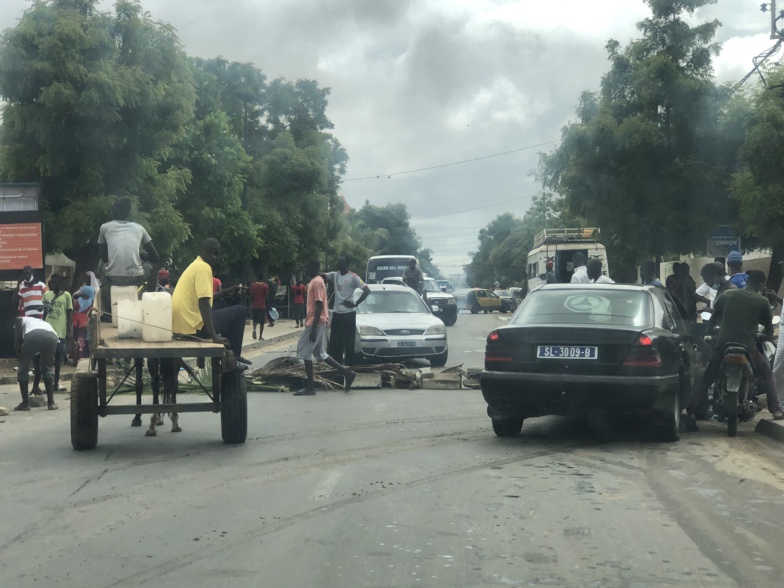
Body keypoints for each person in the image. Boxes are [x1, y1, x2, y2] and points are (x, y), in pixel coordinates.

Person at [687, 270, 784, 424]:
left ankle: (691, 409)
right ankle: (776, 409)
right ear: (761, 284)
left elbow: (713, 319)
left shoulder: (728, 295)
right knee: (767, 373)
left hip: (723, 344)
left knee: (708, 377)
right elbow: (769, 330)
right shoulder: (762, 301)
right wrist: (765, 336)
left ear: (748, 281)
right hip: (748, 346)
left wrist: (709, 332)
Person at [171, 238, 249, 365]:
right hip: (193, 329)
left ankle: (229, 355)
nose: (214, 257)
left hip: (181, 328)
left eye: (216, 254)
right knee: (240, 311)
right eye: (210, 253)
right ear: (203, 252)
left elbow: (203, 299)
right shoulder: (204, 268)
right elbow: (204, 303)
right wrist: (214, 337)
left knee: (226, 312)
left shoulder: (195, 265)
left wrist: (224, 293)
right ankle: (234, 358)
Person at [294, 259, 357, 396]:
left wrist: (313, 329)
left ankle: (310, 387)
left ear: (312, 268)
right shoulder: (317, 281)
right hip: (319, 321)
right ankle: (347, 372)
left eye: (306, 267)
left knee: (304, 351)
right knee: (320, 353)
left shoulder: (316, 282)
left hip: (315, 322)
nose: (305, 270)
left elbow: (318, 305)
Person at [98, 196, 160, 320]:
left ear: (112, 211)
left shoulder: (104, 227)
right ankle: (149, 299)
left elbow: (103, 257)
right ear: (129, 213)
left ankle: (109, 309)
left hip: (113, 278)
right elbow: (156, 257)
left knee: (101, 265)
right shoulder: (139, 228)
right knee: (154, 267)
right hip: (135, 277)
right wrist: (140, 254)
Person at [325, 255, 371, 367]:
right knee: (335, 343)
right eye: (338, 261)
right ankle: (337, 367)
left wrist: (356, 303)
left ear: (347, 264)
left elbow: (367, 290)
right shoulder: (335, 275)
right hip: (337, 314)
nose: (338, 264)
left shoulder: (353, 277)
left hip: (348, 314)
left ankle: (350, 367)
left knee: (349, 342)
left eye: (341, 262)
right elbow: (321, 275)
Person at [13, 316, 59, 411]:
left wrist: (18, 349)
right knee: (46, 368)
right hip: (52, 336)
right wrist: (35, 385)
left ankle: (25, 404)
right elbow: (37, 367)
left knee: (23, 368)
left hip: (34, 335)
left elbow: (17, 320)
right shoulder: (39, 322)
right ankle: (51, 403)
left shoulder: (22, 320)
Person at [14, 266, 47, 395]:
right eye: (24, 274)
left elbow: (48, 299)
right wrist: (18, 284)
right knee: (30, 355)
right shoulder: (22, 287)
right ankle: (32, 387)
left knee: (38, 356)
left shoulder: (41, 285)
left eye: (28, 273)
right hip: (27, 323)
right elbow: (18, 302)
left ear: (32, 273)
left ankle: (36, 386)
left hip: (39, 322)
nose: (26, 276)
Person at [42, 274, 73, 392]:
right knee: (47, 359)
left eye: (56, 282)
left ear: (60, 283)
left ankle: (56, 383)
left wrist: (69, 331)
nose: (53, 284)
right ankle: (48, 385)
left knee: (58, 357)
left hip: (60, 331)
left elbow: (69, 314)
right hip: (48, 330)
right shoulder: (46, 295)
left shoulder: (66, 296)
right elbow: (44, 313)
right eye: (52, 282)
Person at [72, 272, 97, 364]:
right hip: (86, 322)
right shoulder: (92, 301)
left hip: (78, 322)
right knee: (85, 341)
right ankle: (86, 358)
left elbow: (75, 304)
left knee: (79, 340)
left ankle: (77, 359)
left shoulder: (78, 300)